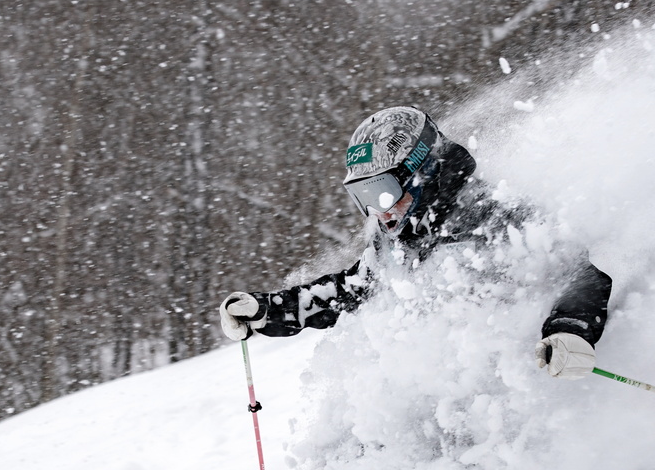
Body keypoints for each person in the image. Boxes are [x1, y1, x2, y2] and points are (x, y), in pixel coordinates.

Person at [217, 106, 611, 378]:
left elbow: (580, 276)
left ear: (423, 174)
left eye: (384, 193)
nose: (379, 212)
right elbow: (349, 291)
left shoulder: (495, 216)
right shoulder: (398, 243)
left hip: (509, 398)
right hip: (437, 405)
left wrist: (569, 329)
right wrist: (269, 311)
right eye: (364, 199)